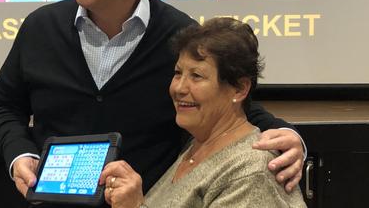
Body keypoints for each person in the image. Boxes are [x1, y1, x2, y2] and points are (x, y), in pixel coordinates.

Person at [0, 0, 304, 204]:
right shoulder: (40, 28)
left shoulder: (180, 36)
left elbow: (230, 103)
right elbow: (4, 104)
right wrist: (20, 154)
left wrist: (290, 137)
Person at [100, 18, 306, 208]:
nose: (179, 88)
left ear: (239, 89)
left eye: (196, 76)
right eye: (178, 73)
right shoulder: (196, 146)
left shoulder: (250, 172)